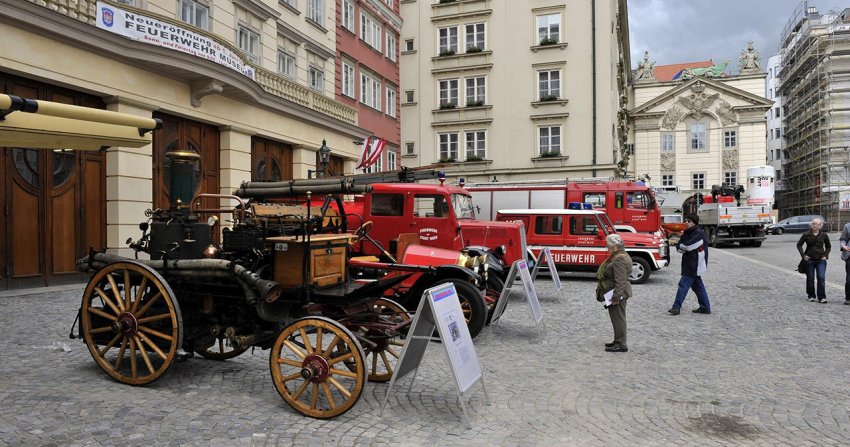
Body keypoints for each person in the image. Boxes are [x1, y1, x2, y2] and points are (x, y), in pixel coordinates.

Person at [596, 233, 632, 352]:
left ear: (615, 246)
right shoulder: (619, 255)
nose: (608, 248)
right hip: (614, 292)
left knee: (619, 318)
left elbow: (620, 280)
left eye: (609, 246)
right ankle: (617, 340)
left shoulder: (619, 258)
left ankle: (621, 344)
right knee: (616, 318)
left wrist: (616, 297)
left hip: (617, 294)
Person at [668, 214, 711, 315]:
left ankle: (676, 307)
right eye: (686, 221)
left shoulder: (699, 233)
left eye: (689, 221)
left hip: (695, 264)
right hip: (690, 263)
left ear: (694, 222)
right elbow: (679, 246)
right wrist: (681, 247)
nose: (686, 223)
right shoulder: (687, 233)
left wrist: (682, 247)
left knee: (683, 285)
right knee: (698, 286)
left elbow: (688, 246)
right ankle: (705, 307)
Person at [797, 217, 830, 303]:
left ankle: (822, 297)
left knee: (821, 277)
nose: (814, 225)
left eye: (816, 224)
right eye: (813, 224)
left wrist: (826, 255)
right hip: (810, 259)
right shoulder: (806, 234)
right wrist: (803, 255)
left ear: (820, 226)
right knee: (810, 278)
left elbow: (828, 246)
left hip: (821, 259)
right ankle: (811, 295)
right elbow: (799, 245)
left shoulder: (824, 235)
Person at [840, 222, 850, 305]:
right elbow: (843, 239)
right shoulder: (847, 226)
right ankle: (848, 298)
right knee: (849, 277)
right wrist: (843, 246)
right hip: (849, 254)